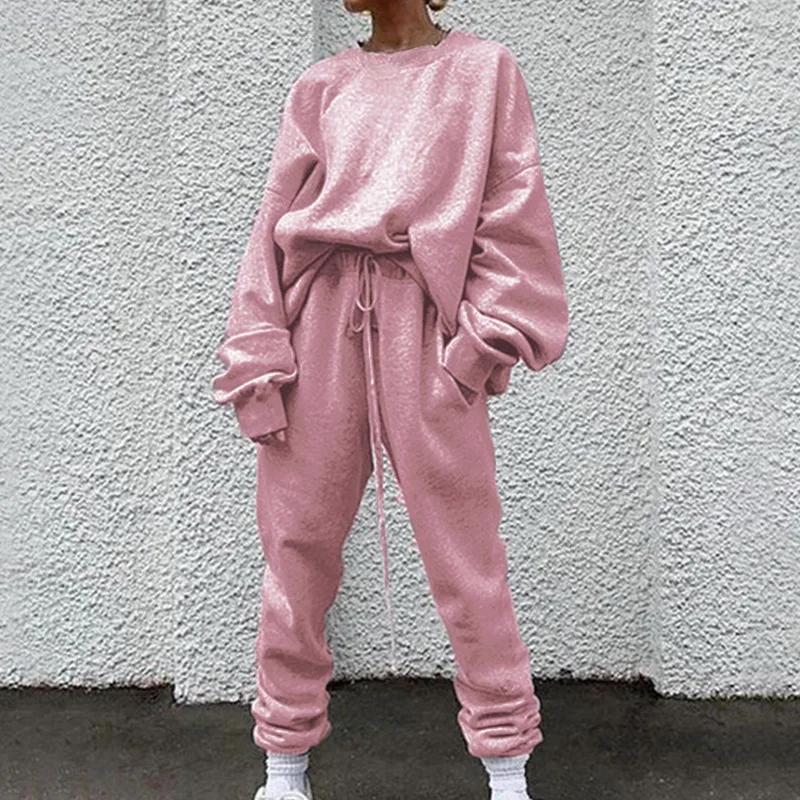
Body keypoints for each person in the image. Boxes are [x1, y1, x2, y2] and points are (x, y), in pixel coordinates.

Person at [210, 1, 569, 798]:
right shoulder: (321, 86)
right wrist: (258, 360)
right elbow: (270, 230)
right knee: (296, 549)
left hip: (425, 331)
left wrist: (474, 351)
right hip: (318, 326)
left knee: (467, 559)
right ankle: (283, 768)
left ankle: (508, 772)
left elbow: (513, 214)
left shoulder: (483, 71)